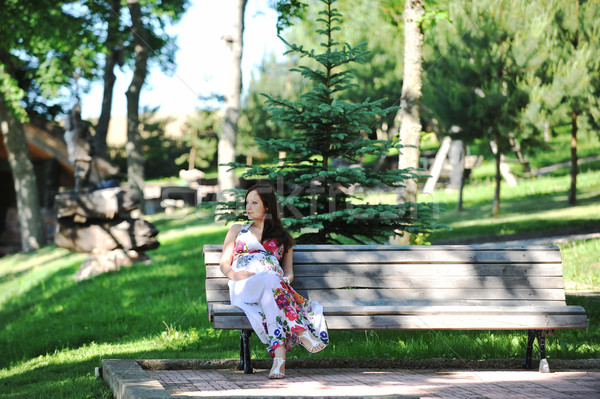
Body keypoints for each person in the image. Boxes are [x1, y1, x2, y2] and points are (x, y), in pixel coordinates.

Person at [219, 183, 328, 379]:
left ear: (267, 206)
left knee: (272, 290)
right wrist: (234, 275)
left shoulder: (283, 237)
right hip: (244, 286)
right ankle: (302, 333)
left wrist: (282, 281)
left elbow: (289, 272)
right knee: (272, 281)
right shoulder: (237, 229)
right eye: (247, 202)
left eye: (254, 202)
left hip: (273, 290)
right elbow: (224, 264)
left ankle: (279, 360)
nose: (248, 207)